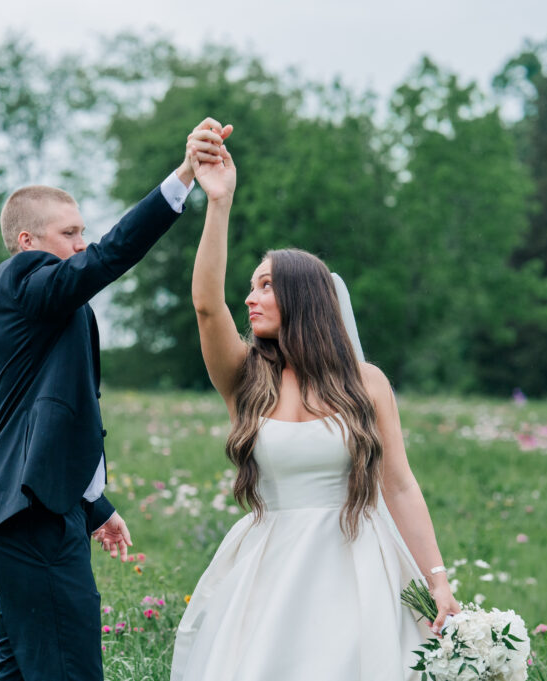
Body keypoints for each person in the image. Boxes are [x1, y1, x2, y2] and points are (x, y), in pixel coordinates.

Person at [170, 138, 461, 680]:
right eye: (250, 287)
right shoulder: (245, 379)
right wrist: (218, 202)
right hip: (272, 566)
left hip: (360, 566)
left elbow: (399, 485)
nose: (250, 299)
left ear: (303, 299)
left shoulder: (366, 384)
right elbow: (208, 306)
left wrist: (437, 578)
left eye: (265, 286)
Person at [0, 118, 233, 681]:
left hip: (32, 514)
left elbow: (46, 415)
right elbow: (108, 257)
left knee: (22, 673)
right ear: (27, 243)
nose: (82, 243)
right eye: (69, 233)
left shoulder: (50, 308)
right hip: (32, 521)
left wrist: (94, 504)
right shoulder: (23, 281)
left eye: (83, 230)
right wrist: (182, 177)